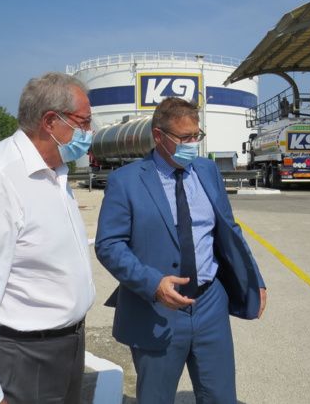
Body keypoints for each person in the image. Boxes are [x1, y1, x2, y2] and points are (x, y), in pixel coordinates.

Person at [95, 96, 267, 404]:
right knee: (156, 397)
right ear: (158, 136)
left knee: (220, 396)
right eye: (184, 138)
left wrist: (255, 278)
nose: (192, 144)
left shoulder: (207, 171)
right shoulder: (126, 180)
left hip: (210, 302)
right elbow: (109, 245)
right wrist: (152, 284)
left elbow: (230, 230)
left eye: (196, 136)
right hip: (155, 309)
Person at [0, 72, 96, 404]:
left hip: (66, 348)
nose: (89, 133)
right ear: (51, 121)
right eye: (83, 122)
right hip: (25, 358)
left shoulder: (54, 173)